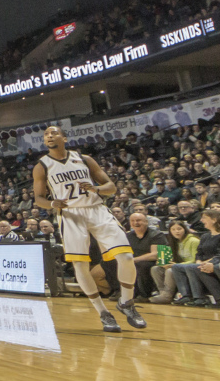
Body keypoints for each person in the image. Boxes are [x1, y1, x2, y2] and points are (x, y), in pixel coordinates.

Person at [33, 125, 145, 332]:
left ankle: (127, 302)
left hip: (97, 210)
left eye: (54, 132)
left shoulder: (85, 159)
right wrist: (51, 204)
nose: (49, 136)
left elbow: (111, 187)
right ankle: (103, 313)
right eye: (46, 134)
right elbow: (38, 198)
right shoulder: (42, 166)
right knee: (80, 265)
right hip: (71, 215)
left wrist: (97, 188)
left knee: (126, 257)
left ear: (64, 138)